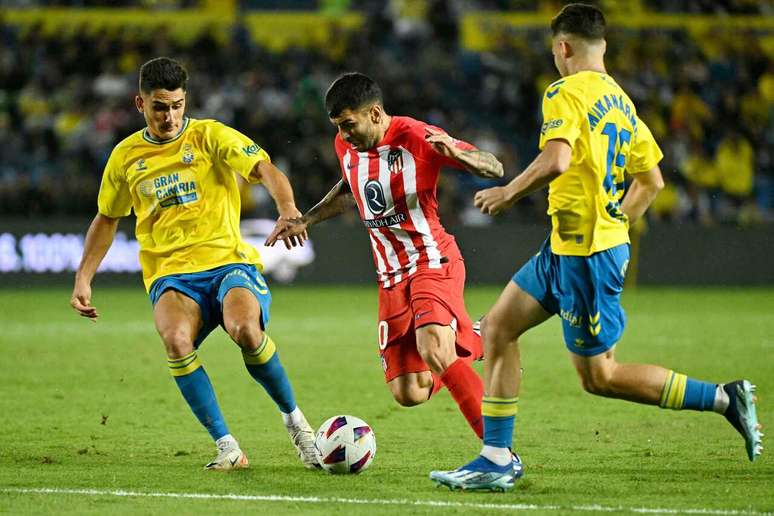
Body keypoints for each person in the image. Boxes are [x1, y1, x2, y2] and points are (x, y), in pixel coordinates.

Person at [430, 3, 762, 492]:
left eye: (555, 53)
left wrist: (508, 191)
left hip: (586, 256)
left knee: (599, 377)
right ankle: (496, 457)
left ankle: (723, 398)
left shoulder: (564, 92)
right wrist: (616, 222)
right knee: (498, 328)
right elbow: (651, 181)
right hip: (569, 246)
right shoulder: (623, 104)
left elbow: (558, 158)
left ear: (563, 48)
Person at [70, 57, 319, 471]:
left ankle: (299, 427)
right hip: (169, 274)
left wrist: (288, 207)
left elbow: (264, 169)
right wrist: (83, 278)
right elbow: (107, 219)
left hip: (227, 262)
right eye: (160, 107)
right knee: (176, 342)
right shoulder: (125, 157)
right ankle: (227, 446)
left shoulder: (210, 136)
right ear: (140, 104)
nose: (170, 116)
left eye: (177, 105)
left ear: (186, 101)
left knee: (245, 330)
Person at [266, 72, 504, 444]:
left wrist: (459, 156)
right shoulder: (347, 145)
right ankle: (482, 336)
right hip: (390, 276)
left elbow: (494, 166)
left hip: (431, 260)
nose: (343, 135)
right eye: (338, 127)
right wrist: (307, 218)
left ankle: (498, 451)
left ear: (375, 114)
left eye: (348, 125)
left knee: (434, 348)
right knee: (410, 392)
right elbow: (351, 188)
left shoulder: (417, 136)